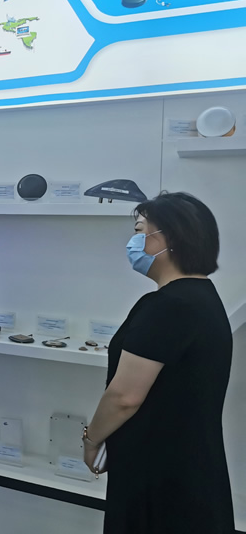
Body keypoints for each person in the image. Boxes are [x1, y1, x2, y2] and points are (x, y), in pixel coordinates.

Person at [83, 192, 234, 534]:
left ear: (171, 238)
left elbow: (124, 397)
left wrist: (91, 440)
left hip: (158, 471)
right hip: (188, 463)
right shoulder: (202, 298)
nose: (133, 242)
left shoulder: (169, 306)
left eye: (140, 231)